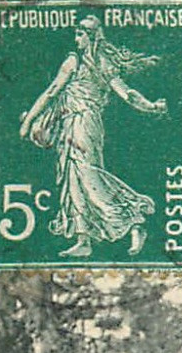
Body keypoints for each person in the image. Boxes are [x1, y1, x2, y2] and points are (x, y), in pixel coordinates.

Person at [18, 16, 166, 258]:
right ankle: (83, 239)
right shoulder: (88, 61)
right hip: (71, 123)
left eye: (81, 34)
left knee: (86, 174)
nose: (77, 39)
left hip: (83, 123)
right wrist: (150, 106)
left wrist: (28, 122)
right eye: (76, 34)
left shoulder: (84, 62)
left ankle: (133, 219)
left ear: (92, 36)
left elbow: (54, 91)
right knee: (72, 177)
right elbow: (55, 92)